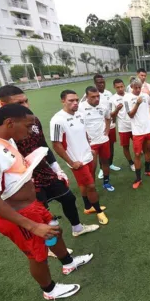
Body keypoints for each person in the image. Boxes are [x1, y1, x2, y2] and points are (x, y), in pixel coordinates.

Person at [0, 104, 93, 300]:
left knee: (54, 230)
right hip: (19, 216)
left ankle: (68, 263)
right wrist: (33, 227)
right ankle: (49, 290)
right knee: (37, 255)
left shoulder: (2, 139)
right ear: (10, 122)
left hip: (32, 207)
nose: (30, 132)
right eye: (27, 127)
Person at [0, 85, 99, 239]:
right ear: (3, 105)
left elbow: (43, 144)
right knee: (41, 212)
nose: (26, 106)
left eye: (26, 101)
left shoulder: (32, 119)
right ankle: (49, 246)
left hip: (43, 170)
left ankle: (77, 227)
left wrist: (56, 168)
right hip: (25, 180)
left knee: (68, 197)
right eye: (19, 103)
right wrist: (6, 179)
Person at [50, 90, 109, 225]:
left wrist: (90, 149)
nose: (75, 103)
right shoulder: (58, 120)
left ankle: (88, 207)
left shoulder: (80, 115)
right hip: (77, 162)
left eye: (76, 100)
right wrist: (71, 162)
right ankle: (99, 211)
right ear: (63, 101)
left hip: (88, 155)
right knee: (92, 186)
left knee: (84, 184)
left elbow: (84, 134)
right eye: (71, 100)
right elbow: (56, 144)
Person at [79, 86, 115, 192]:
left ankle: (106, 182)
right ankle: (92, 187)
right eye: (93, 97)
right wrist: (84, 136)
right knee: (92, 167)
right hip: (91, 143)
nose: (96, 99)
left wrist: (107, 130)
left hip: (103, 140)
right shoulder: (81, 108)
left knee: (105, 162)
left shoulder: (103, 106)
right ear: (87, 97)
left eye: (98, 96)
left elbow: (108, 118)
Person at [124, 79, 150, 189]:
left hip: (148, 129)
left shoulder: (146, 96)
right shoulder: (126, 98)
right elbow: (130, 115)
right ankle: (138, 178)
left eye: (139, 87)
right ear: (131, 87)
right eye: (136, 87)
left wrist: (149, 116)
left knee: (148, 149)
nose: (138, 90)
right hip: (138, 132)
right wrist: (137, 104)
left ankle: (147, 170)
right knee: (137, 154)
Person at [87, 74, 121, 179]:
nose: (101, 84)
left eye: (103, 82)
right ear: (95, 83)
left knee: (110, 146)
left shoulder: (109, 93)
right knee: (97, 151)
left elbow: (110, 109)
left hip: (110, 125)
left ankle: (110, 164)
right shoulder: (88, 97)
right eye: (99, 82)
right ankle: (101, 169)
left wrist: (113, 120)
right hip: (97, 130)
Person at [127, 68, 150, 156]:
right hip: (136, 118)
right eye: (141, 75)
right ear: (137, 74)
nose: (143, 77)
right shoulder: (129, 88)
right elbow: (128, 102)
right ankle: (141, 149)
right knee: (139, 135)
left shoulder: (149, 87)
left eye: (145, 75)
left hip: (147, 115)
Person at [110, 79, 136, 172]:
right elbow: (111, 115)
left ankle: (145, 159)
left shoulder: (130, 95)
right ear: (114, 87)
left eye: (122, 86)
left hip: (134, 125)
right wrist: (117, 109)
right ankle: (131, 163)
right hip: (123, 128)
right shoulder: (112, 99)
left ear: (124, 86)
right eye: (118, 87)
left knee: (139, 145)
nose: (120, 89)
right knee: (126, 146)